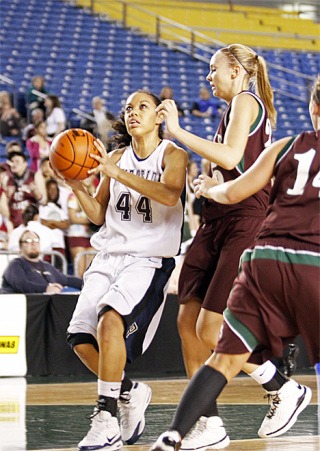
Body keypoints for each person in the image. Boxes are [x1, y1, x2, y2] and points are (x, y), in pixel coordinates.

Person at [150, 75, 320, 451]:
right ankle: (217, 418)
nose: (208, 76)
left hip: (261, 248)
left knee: (219, 345)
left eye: (215, 67)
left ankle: (175, 434)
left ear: (313, 109)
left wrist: (208, 182)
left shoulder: (282, 144)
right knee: (194, 325)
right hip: (290, 254)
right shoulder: (244, 120)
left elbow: (235, 184)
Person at [65, 90, 188, 449]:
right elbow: (98, 214)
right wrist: (77, 186)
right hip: (109, 257)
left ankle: (105, 419)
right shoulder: (115, 156)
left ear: (158, 117)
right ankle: (130, 392)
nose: (133, 113)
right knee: (80, 339)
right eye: (129, 108)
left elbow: (168, 194)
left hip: (147, 260)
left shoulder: (173, 154)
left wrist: (116, 171)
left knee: (110, 320)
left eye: (142, 107)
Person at [2, 229, 82, 294]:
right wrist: (46, 289)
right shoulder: (15, 265)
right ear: (20, 247)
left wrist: (88, 284)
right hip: (25, 305)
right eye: (28, 241)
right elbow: (21, 285)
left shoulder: (47, 266)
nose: (33, 244)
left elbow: (67, 280)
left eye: (36, 240)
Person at [2, 151, 46, 228]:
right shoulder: (7, 179)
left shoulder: (35, 176)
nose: (14, 164)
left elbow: (44, 201)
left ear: (25, 163)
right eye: (12, 161)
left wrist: (36, 193)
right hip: (14, 224)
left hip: (33, 223)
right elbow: (3, 206)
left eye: (17, 161)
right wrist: (7, 196)